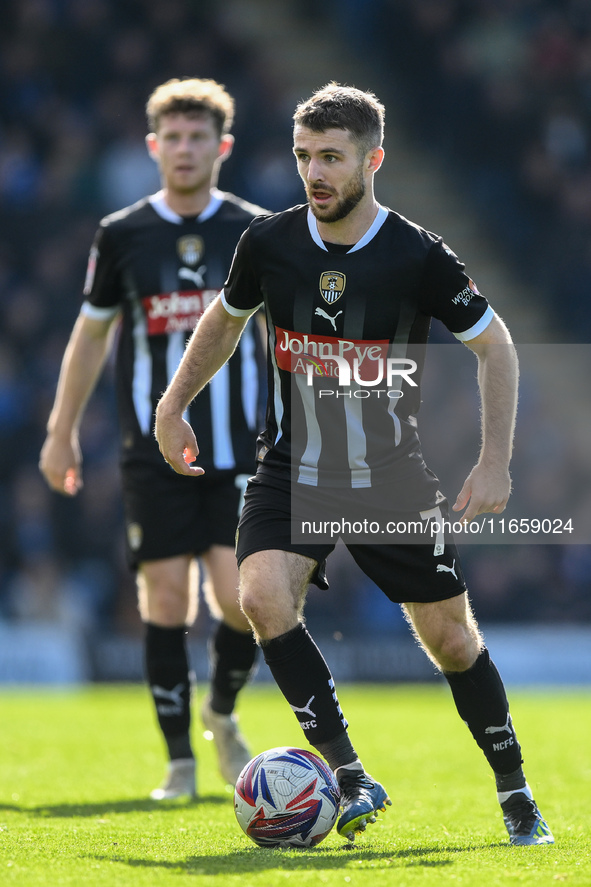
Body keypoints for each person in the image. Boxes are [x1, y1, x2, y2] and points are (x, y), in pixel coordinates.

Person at [154, 83, 554, 845]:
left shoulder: (418, 254)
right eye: (304, 156)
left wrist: (493, 460)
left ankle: (515, 793)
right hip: (292, 468)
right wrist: (174, 405)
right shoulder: (268, 242)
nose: (315, 173)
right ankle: (347, 774)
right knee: (263, 596)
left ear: (372, 159)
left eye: (331, 158)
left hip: (391, 479)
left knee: (451, 642)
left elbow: (493, 344)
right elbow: (224, 319)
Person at [39, 78, 267, 799]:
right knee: (165, 598)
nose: (186, 148)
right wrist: (60, 430)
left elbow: (285, 334)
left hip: (237, 447)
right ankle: (178, 762)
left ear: (221, 146)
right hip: (149, 448)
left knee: (243, 599)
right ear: (152, 147)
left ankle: (220, 710)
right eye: (173, 137)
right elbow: (91, 334)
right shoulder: (122, 234)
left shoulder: (256, 230)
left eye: (199, 136)